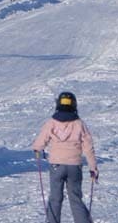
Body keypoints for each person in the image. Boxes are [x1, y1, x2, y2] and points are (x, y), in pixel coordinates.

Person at [32, 92, 98, 223]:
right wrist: (93, 167)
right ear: (74, 105)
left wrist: (37, 149)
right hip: (74, 166)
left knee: (55, 198)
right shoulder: (79, 124)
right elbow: (88, 147)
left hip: (56, 165)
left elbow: (40, 142)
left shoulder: (51, 123)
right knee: (75, 197)